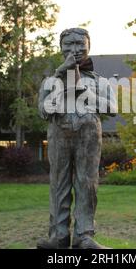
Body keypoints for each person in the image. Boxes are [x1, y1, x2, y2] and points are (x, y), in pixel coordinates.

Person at [37, 28, 116, 249]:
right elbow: (43, 111)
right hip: (59, 136)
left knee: (87, 184)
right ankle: (58, 236)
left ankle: (84, 236)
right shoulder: (50, 81)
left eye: (80, 44)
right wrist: (60, 77)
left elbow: (112, 108)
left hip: (89, 137)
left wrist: (84, 93)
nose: (75, 49)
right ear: (61, 48)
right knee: (58, 184)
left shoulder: (100, 82)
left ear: (89, 46)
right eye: (68, 44)